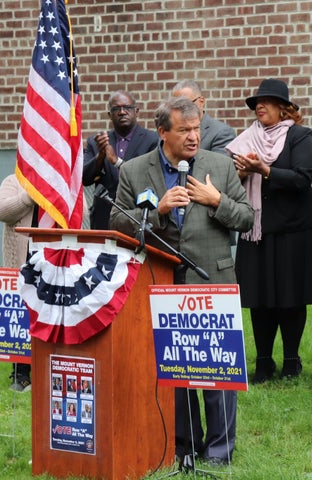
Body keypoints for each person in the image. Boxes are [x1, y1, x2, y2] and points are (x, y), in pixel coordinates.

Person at [110, 96, 253, 468]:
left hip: (212, 277)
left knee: (216, 368)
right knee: (175, 367)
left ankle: (220, 452)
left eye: (197, 129)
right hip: (160, 282)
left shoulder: (219, 166)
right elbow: (117, 221)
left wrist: (217, 199)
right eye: (184, 130)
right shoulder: (136, 171)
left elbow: (247, 218)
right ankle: (184, 444)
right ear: (162, 132)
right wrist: (156, 211)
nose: (193, 137)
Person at [228, 78, 312, 383]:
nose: (260, 106)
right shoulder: (245, 138)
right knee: (259, 298)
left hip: (294, 229)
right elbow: (231, 179)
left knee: (290, 296)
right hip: (255, 229)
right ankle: (262, 362)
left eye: (268, 101)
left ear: (284, 109)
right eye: (257, 102)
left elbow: (301, 178)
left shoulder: (299, 135)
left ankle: (291, 360)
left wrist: (265, 170)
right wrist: (241, 172)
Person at [83, 90, 159, 229]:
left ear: (137, 111)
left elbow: (150, 179)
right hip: (103, 219)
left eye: (127, 108)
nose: (122, 112)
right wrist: (100, 156)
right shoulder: (97, 142)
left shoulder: (152, 140)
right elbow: (85, 179)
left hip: (137, 216)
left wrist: (116, 161)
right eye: (116, 109)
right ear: (109, 115)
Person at [0, 174, 36, 392]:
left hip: (54, 262)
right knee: (20, 320)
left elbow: (82, 212)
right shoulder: (13, 181)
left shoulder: (60, 182)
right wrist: (29, 196)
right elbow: (0, 211)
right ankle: (21, 374)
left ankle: (48, 369)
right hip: (22, 263)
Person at [171, 80, 236, 155]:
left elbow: (219, 165)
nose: (181, 110)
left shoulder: (222, 132)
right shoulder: (168, 130)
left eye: (186, 105)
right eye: (176, 105)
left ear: (201, 102)